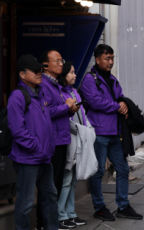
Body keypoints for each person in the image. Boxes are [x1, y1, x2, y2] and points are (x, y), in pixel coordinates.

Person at [79, 44, 143, 221]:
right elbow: (95, 101)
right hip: (99, 133)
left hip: (115, 132)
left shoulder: (112, 79)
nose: (110, 62)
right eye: (107, 58)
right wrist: (117, 106)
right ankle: (99, 207)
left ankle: (123, 205)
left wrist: (123, 104)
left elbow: (120, 96)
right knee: (98, 171)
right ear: (97, 59)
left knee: (122, 169)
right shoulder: (90, 80)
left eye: (112, 58)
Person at [8, 55, 57, 230]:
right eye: (34, 71)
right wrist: (36, 147)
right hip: (27, 159)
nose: (39, 73)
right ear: (22, 74)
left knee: (50, 196)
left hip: (44, 158)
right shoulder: (17, 97)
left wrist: (47, 149)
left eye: (40, 70)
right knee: (26, 202)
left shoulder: (40, 93)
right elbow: (18, 131)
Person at [40, 50, 79, 197]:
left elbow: (61, 110)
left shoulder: (56, 85)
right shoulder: (44, 85)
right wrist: (66, 106)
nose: (61, 64)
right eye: (57, 61)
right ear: (45, 65)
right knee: (51, 184)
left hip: (62, 138)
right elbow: (46, 112)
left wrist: (71, 110)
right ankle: (45, 220)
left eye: (61, 60)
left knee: (58, 182)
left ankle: (53, 218)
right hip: (52, 140)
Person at [56, 62, 88, 229]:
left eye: (75, 72)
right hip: (68, 139)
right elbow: (65, 119)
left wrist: (88, 130)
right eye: (71, 72)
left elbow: (82, 115)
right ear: (63, 75)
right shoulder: (60, 94)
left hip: (80, 138)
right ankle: (61, 215)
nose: (74, 75)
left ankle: (71, 213)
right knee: (66, 179)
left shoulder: (75, 92)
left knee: (73, 179)